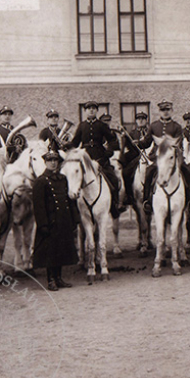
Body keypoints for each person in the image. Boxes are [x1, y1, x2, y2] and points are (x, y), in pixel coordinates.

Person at [32, 150, 79, 291]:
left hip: (63, 220)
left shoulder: (63, 179)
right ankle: (50, 279)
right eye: (50, 160)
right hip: (50, 222)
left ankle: (58, 278)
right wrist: (43, 224)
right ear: (45, 162)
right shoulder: (41, 181)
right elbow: (38, 206)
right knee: (50, 252)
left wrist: (74, 218)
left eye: (55, 160)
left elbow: (69, 201)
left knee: (61, 250)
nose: (53, 163)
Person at [141, 100, 190, 213]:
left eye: (167, 110)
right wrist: (137, 143)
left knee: (187, 171)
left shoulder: (177, 127)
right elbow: (146, 142)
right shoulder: (154, 126)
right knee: (149, 172)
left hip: (173, 158)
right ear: (159, 111)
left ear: (172, 111)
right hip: (157, 158)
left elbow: (178, 145)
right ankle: (147, 201)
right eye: (163, 110)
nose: (165, 112)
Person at [70, 101, 121, 216]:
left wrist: (108, 152)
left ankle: (114, 205)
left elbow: (112, 140)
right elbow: (75, 142)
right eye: (89, 108)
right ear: (85, 111)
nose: (91, 110)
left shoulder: (102, 125)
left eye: (94, 108)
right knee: (74, 180)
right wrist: (67, 146)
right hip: (85, 158)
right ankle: (75, 211)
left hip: (100, 157)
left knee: (113, 178)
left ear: (97, 111)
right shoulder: (82, 126)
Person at [121, 111, 149, 205]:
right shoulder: (131, 134)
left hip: (150, 157)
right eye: (138, 119)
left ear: (146, 120)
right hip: (137, 158)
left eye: (143, 119)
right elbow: (128, 149)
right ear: (136, 121)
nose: (141, 121)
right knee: (125, 173)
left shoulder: (150, 132)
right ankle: (129, 196)